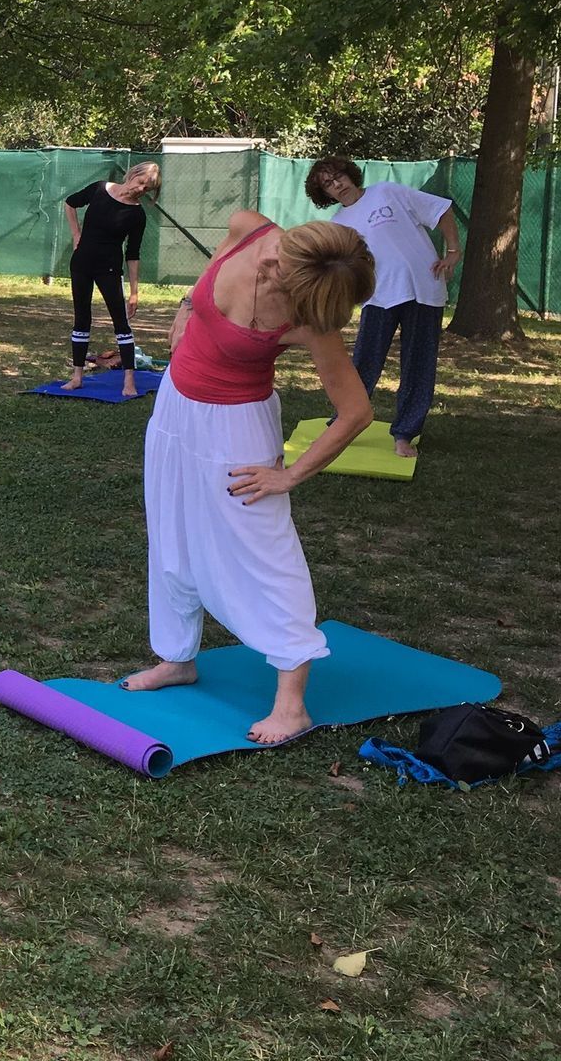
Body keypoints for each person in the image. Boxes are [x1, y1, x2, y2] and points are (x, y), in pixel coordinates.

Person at [124, 212, 376, 745]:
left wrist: (290, 475)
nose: (267, 264)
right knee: (170, 537)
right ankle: (176, 658)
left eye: (281, 273)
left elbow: (354, 411)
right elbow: (213, 268)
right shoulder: (253, 230)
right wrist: (188, 305)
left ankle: (291, 705)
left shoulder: (310, 321)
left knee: (266, 557)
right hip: (174, 409)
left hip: (236, 432)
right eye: (279, 254)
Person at [306, 156, 461, 458]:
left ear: (350, 175)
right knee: (364, 363)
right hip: (378, 298)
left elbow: (440, 209)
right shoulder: (338, 225)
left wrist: (454, 251)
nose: (337, 184)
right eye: (327, 184)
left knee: (418, 365)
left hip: (423, 289)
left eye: (338, 176)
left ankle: (404, 433)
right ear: (325, 195)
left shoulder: (388, 192)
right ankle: (345, 424)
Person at [62, 162, 159, 398]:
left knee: (120, 322)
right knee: (81, 318)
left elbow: (133, 254)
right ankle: (77, 377)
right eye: (141, 183)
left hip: (109, 269)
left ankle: (129, 380)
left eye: (147, 189)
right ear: (133, 175)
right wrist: (76, 234)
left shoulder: (137, 214)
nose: (140, 190)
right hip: (82, 264)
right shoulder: (99, 189)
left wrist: (134, 292)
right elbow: (70, 203)